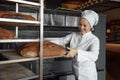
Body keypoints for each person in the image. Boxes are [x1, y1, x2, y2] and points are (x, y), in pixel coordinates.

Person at [50, 10, 100, 80]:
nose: (81, 27)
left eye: (84, 25)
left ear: (91, 27)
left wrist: (77, 51)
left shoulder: (94, 39)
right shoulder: (74, 35)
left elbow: (94, 56)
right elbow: (60, 40)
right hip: (76, 72)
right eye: (80, 24)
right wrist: (43, 42)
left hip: (88, 75)